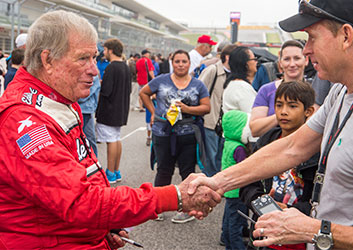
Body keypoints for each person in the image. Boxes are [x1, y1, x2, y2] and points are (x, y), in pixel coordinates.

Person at [0, 10, 220, 249]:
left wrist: (103, 226)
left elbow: (73, 188)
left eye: (94, 57)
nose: (94, 70)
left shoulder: (56, 98)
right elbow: (81, 202)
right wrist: (174, 197)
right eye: (83, 58)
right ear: (48, 60)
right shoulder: (23, 119)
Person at [188, 0, 353, 249]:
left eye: (311, 37)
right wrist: (219, 182)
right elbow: (293, 147)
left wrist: (316, 229)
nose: (306, 49)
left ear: (346, 36)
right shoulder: (341, 91)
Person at [240, 80, 319, 250]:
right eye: (279, 105)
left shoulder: (316, 149)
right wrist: (260, 201)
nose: (283, 112)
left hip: (300, 237)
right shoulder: (266, 140)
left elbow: (321, 197)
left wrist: (293, 210)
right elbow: (247, 182)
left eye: (292, 106)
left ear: (309, 111)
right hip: (264, 231)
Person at [139, 49, 211, 223]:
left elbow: (206, 107)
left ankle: (187, 209)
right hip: (162, 132)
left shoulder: (197, 84)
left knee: (187, 172)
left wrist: (188, 110)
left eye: (184, 61)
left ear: (189, 63)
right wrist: (154, 111)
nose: (180, 64)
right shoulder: (161, 80)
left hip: (187, 134)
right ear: (172, 63)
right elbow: (144, 92)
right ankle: (158, 207)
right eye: (177, 61)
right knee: (164, 169)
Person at [250, 40, 309, 137]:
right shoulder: (266, 90)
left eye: (297, 58)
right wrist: (283, 116)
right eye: (287, 59)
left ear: (306, 60)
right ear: (280, 62)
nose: (292, 64)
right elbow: (255, 129)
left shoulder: (315, 90)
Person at [95, 38, 131, 184]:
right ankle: (116, 170)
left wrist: (99, 84)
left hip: (109, 110)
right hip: (121, 108)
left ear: (110, 50)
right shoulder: (125, 66)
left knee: (110, 140)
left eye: (105, 50)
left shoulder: (111, 67)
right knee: (116, 138)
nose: (104, 52)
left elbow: (107, 91)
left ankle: (109, 172)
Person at [198, 44, 237, 177]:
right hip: (210, 122)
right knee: (210, 158)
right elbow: (198, 91)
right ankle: (208, 188)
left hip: (226, 125)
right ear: (227, 57)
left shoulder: (236, 75)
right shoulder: (212, 71)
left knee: (221, 158)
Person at [221, 110, 253, 250]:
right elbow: (245, 167)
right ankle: (237, 247)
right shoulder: (239, 148)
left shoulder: (228, 143)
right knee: (236, 223)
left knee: (228, 219)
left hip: (229, 190)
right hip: (238, 191)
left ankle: (227, 242)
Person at [78, 74, 101, 156]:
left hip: (85, 110)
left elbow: (82, 97)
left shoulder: (93, 77)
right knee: (87, 139)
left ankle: (94, 163)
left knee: (88, 139)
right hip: (84, 110)